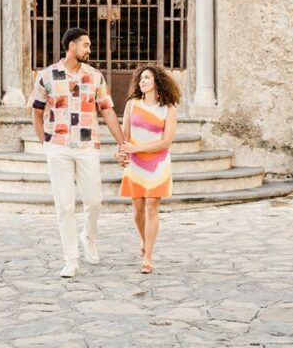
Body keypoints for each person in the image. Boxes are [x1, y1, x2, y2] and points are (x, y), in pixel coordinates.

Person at [28, 27, 127, 278]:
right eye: (86, 45)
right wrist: (46, 144)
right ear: (72, 46)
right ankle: (71, 258)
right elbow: (36, 111)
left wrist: (121, 142)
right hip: (58, 146)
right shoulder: (47, 75)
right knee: (64, 205)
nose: (89, 50)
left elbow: (107, 111)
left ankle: (89, 237)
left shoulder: (95, 76)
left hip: (86, 147)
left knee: (94, 201)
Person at [118, 64, 180, 274]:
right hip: (135, 164)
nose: (142, 81)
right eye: (141, 78)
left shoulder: (169, 109)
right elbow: (124, 137)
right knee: (137, 210)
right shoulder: (132, 105)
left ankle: (148, 256)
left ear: (157, 82)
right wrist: (122, 152)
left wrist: (138, 148)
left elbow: (166, 142)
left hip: (158, 164)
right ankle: (145, 241)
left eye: (147, 78)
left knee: (152, 206)